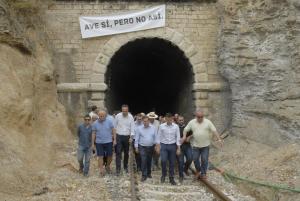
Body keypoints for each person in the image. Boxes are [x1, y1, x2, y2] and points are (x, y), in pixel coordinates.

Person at [182, 109, 223, 180]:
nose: (200, 118)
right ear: (196, 116)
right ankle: (198, 170)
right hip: (195, 145)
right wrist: (184, 136)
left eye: (201, 116)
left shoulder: (208, 122)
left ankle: (203, 173)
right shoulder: (192, 122)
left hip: (205, 145)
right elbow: (185, 129)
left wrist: (219, 139)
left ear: (203, 116)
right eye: (198, 117)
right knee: (195, 159)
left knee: (204, 159)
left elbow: (214, 130)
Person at [155, 113, 181, 185]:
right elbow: (158, 136)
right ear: (165, 119)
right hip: (164, 145)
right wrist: (158, 146)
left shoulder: (176, 126)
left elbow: (178, 137)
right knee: (163, 160)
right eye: (167, 119)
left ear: (172, 119)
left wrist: (178, 148)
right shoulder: (161, 126)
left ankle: (171, 177)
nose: (169, 120)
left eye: (170, 119)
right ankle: (163, 175)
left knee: (172, 162)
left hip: (172, 146)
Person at [92, 110, 116, 176]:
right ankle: (101, 170)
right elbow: (93, 133)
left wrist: (115, 140)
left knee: (110, 156)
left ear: (105, 116)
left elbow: (113, 130)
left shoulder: (109, 122)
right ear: (98, 116)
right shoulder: (95, 123)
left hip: (109, 141)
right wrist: (92, 144)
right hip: (99, 142)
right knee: (100, 156)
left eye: (103, 115)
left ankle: (107, 166)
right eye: (100, 115)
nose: (101, 117)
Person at [114, 104, 135, 175]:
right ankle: (118, 169)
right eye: (123, 111)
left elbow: (132, 128)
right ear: (121, 110)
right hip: (119, 136)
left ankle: (125, 167)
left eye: (125, 111)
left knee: (126, 153)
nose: (124, 112)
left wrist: (131, 137)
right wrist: (114, 137)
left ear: (128, 110)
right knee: (118, 152)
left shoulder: (131, 117)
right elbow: (114, 126)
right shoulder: (118, 116)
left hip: (127, 137)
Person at [135, 116, 157, 182]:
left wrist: (156, 145)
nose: (145, 122)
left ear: (149, 121)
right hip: (142, 146)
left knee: (149, 160)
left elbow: (156, 137)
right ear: (142, 121)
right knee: (143, 160)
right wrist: (136, 147)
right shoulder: (139, 128)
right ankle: (144, 175)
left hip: (151, 146)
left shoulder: (153, 128)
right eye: (144, 121)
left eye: (146, 121)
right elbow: (137, 138)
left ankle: (149, 173)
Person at [176, 116, 193, 183]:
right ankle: (181, 176)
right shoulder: (175, 127)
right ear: (177, 121)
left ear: (184, 120)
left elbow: (194, 133)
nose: (181, 121)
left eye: (182, 120)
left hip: (187, 146)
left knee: (190, 158)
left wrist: (189, 137)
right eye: (180, 120)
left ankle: (185, 169)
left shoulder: (188, 127)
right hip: (179, 146)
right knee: (180, 161)